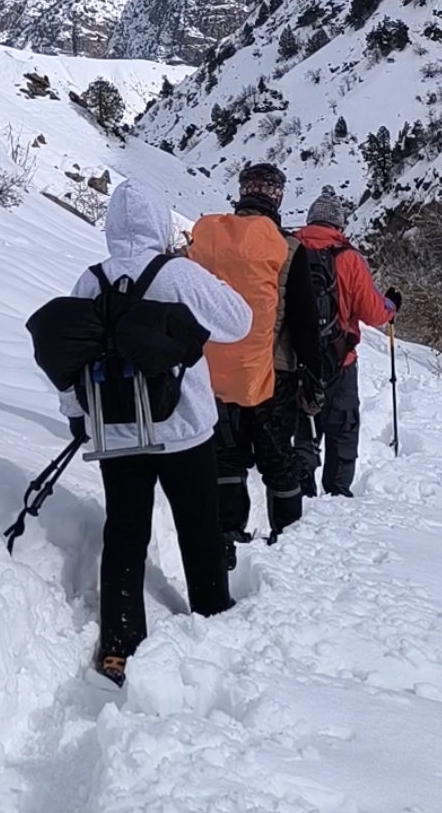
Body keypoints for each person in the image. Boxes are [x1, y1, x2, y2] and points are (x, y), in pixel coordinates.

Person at [54, 177, 253, 688]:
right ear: (160, 223)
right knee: (198, 523)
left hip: (117, 431)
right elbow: (240, 323)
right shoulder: (178, 274)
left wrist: (77, 412)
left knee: (125, 530)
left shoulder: (90, 280)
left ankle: (119, 643)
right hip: (184, 426)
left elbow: (71, 355)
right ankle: (211, 611)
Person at [189, 162, 325, 561]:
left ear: (242, 191)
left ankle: (228, 534)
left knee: (225, 457)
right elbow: (303, 320)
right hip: (272, 372)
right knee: (277, 457)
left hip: (213, 372)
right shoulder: (288, 246)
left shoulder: (210, 236)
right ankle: (287, 539)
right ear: (277, 196)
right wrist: (313, 373)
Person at [292, 189, 401, 499]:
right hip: (340, 358)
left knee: (304, 420)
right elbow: (373, 312)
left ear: (310, 219)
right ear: (339, 226)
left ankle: (301, 483)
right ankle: (337, 491)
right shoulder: (349, 259)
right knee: (342, 426)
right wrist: (391, 305)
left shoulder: (288, 249)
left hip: (295, 358)